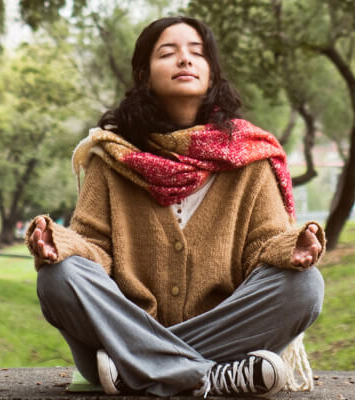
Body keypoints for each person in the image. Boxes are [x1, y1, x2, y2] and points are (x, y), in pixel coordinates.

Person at [26, 15, 326, 398]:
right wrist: (62, 245)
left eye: (197, 53)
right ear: (144, 75)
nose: (185, 59)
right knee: (57, 277)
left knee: (304, 286)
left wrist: (291, 248)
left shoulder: (249, 159)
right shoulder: (112, 158)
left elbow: (261, 249)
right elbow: (96, 252)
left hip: (119, 356)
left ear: (212, 73)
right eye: (168, 52)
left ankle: (138, 370)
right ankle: (210, 377)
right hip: (135, 328)